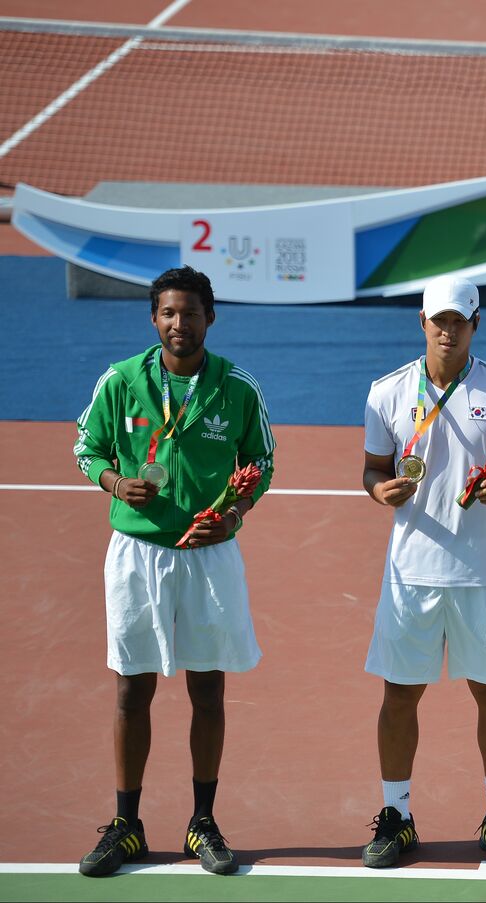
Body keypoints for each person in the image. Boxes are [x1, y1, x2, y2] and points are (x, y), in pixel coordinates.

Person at [72, 265, 275, 877]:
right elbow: (87, 445)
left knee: (207, 689)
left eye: (190, 312)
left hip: (209, 556)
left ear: (210, 318)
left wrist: (235, 512)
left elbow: (260, 462)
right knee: (133, 688)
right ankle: (126, 825)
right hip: (138, 555)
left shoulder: (238, 388)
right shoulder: (121, 381)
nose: (178, 323)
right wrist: (113, 481)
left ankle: (202, 822)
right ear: (153, 319)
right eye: (168, 313)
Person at [360, 274, 486, 869]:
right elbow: (373, 469)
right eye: (438, 319)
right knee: (398, 696)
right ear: (421, 321)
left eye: (459, 320)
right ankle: (397, 815)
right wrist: (380, 490)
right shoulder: (385, 393)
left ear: (475, 325)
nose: (447, 329)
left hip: (482, 571)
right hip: (410, 571)